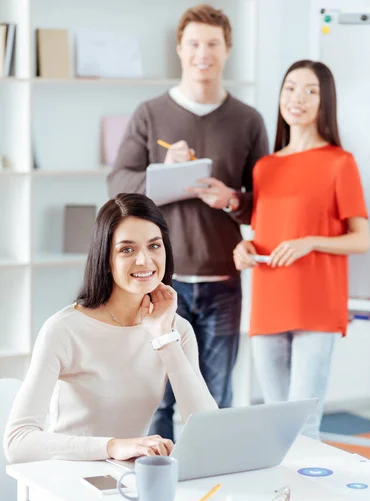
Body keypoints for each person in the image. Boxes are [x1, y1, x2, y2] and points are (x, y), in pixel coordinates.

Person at [4, 193, 218, 501]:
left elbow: (204, 425)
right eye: (127, 249)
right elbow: (17, 442)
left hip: (128, 495)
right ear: (105, 257)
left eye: (154, 246)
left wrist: (163, 338)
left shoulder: (176, 330)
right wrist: (113, 446)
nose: (144, 261)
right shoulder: (64, 329)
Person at [234, 59, 370, 501]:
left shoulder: (340, 162)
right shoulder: (265, 167)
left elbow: (361, 238)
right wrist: (245, 248)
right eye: (290, 87)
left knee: (305, 429)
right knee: (275, 428)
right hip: (268, 301)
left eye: (310, 90)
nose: (298, 97)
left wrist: (313, 241)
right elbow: (264, 234)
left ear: (323, 102)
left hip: (316, 304)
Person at [108, 4, 269, 441]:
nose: (203, 53)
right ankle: (153, 491)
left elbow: (265, 202)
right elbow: (117, 184)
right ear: (180, 49)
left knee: (215, 396)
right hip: (159, 284)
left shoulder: (248, 120)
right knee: (156, 397)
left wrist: (233, 199)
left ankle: (211, 488)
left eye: (213, 44)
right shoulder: (149, 113)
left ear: (227, 50)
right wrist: (162, 169)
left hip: (222, 282)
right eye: (194, 43)